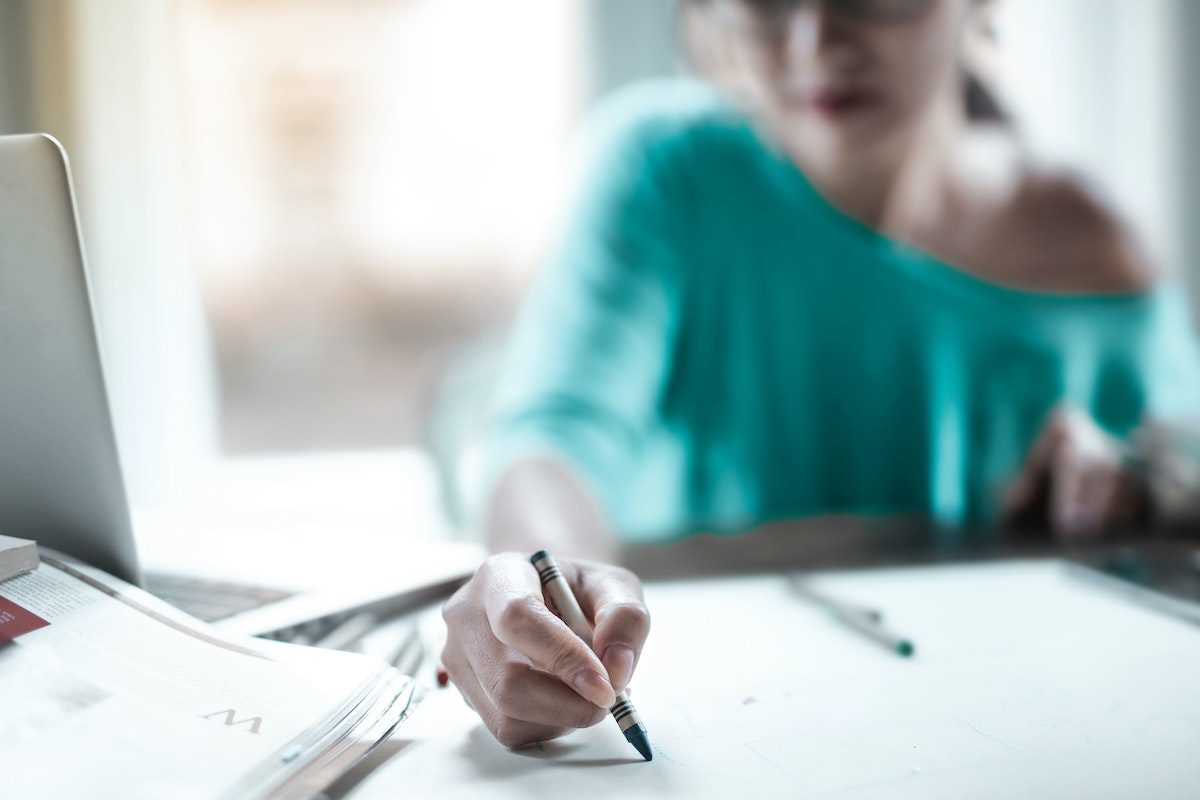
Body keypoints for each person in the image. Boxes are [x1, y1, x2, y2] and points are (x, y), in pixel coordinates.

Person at [440, 0, 1200, 749]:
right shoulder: (665, 172)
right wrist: (540, 578)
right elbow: (553, 440)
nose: (816, 39)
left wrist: (1138, 485)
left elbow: (1176, 476)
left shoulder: (1095, 247)